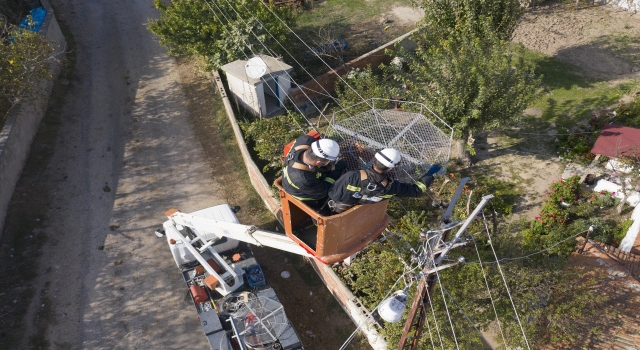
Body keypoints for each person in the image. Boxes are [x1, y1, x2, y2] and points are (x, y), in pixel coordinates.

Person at [327, 148, 441, 214]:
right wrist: (431, 174)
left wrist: (337, 169)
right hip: (359, 214)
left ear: (374, 159)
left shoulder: (352, 176)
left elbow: (333, 193)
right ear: (391, 168)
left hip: (335, 211)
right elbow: (417, 190)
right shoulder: (391, 187)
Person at [282, 136, 346, 211]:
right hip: (308, 196)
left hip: (296, 179)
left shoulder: (306, 140)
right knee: (324, 208)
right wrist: (337, 169)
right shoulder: (304, 180)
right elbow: (326, 190)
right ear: (318, 162)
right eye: (328, 161)